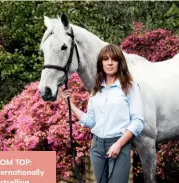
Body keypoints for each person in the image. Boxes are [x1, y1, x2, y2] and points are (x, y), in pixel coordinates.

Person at [61, 44, 145, 183]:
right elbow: (91, 121)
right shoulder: (96, 90)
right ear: (101, 63)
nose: (110, 63)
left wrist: (118, 144)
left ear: (120, 63)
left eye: (114, 59)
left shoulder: (129, 87)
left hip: (119, 143)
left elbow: (138, 121)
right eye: (105, 59)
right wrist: (69, 104)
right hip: (97, 146)